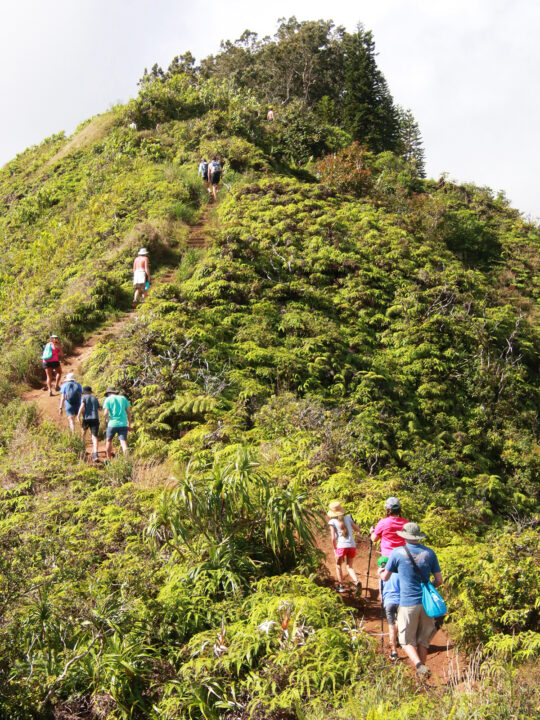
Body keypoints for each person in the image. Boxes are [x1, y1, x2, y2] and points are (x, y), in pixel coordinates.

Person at [380, 522, 443, 678]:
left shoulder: (397, 553)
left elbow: (386, 577)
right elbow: (439, 580)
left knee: (406, 641)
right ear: (418, 536)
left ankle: (419, 666)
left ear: (405, 536)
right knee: (423, 641)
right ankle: (422, 676)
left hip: (408, 602)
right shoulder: (430, 553)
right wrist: (429, 588)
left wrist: (381, 572)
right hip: (426, 604)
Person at [327, 500, 362, 594]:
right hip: (352, 545)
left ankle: (341, 586)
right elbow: (358, 530)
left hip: (341, 546)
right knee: (349, 567)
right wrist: (351, 521)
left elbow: (333, 538)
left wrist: (335, 549)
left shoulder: (332, 521)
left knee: (338, 565)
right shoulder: (348, 518)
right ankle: (356, 581)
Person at [377, 555, 400, 661]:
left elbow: (380, 594)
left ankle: (394, 651)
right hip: (400, 601)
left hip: (388, 602)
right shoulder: (398, 573)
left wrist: (382, 602)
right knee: (399, 623)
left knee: (391, 626)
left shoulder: (382, 577)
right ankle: (398, 637)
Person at [103, 387, 131, 459]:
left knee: (109, 440)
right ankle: (127, 460)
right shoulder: (123, 399)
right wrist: (129, 424)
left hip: (112, 423)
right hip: (123, 423)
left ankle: (108, 459)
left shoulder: (108, 399)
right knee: (123, 442)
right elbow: (128, 412)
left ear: (108, 393)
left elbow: (105, 413)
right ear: (115, 392)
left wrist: (107, 420)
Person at [77, 386, 101, 462]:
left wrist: (78, 415)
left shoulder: (84, 398)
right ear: (90, 392)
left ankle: (81, 451)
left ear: (84, 392)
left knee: (83, 434)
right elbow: (99, 409)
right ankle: (96, 454)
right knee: (94, 436)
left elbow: (82, 406)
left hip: (86, 418)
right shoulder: (95, 398)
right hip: (95, 418)